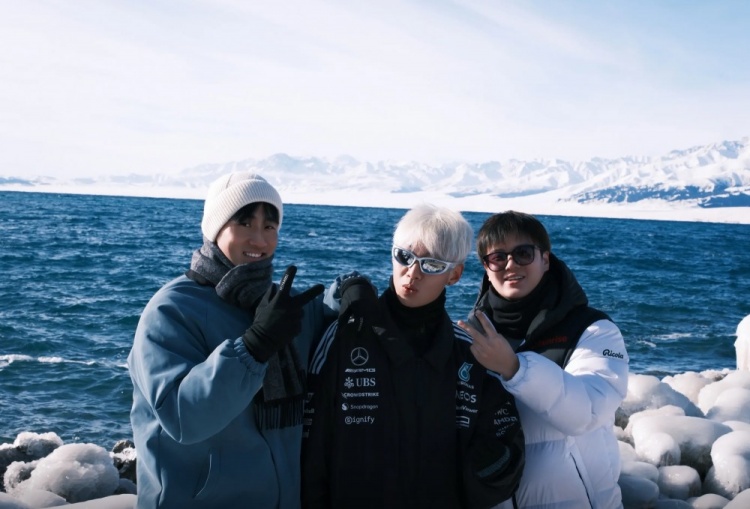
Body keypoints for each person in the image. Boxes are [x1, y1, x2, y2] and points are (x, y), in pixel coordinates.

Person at [302, 203, 525, 509]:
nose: (412, 272)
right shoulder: (344, 338)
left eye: (431, 264)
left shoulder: (469, 354)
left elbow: (505, 450)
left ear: (455, 274)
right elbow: (310, 448)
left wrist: (482, 469)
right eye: (404, 257)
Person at [128, 172, 330, 509]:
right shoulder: (172, 310)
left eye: (269, 226)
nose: (259, 240)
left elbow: (328, 312)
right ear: (215, 228)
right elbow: (183, 417)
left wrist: (350, 292)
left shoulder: (282, 307)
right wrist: (254, 347)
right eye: (245, 223)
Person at [457, 210, 629, 509]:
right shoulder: (473, 336)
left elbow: (587, 413)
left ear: (545, 260)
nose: (511, 264)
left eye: (523, 254)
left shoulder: (592, 330)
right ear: (486, 267)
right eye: (498, 257)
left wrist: (515, 369)